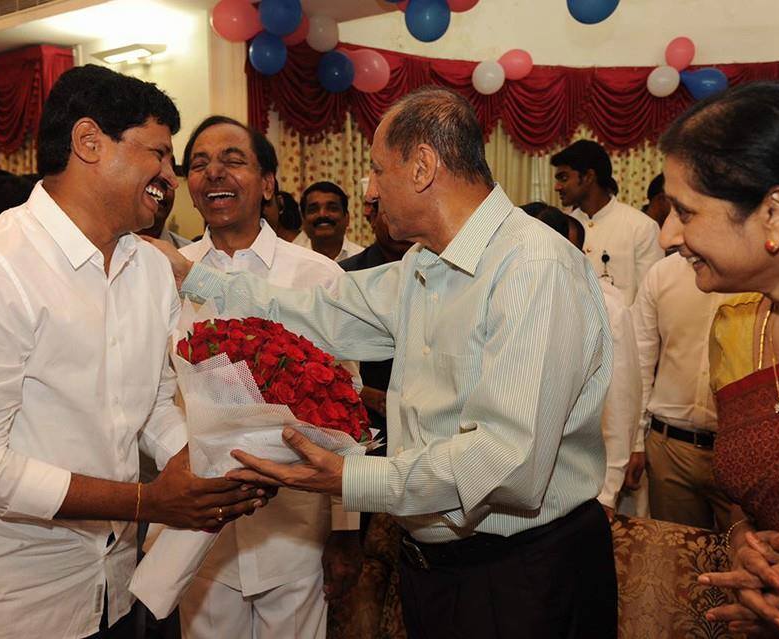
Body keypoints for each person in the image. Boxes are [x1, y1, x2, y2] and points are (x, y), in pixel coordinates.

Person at [154, 86, 617, 638]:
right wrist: (194, 277)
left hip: (523, 570)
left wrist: (354, 478)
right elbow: (321, 310)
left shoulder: (533, 265)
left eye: (376, 170)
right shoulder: (428, 261)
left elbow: (506, 463)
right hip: (438, 565)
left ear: (422, 167)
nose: (368, 192)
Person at [0, 65, 270, 639]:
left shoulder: (148, 268)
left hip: (109, 588)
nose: (170, 178)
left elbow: (150, 406)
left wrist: (210, 470)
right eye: (158, 155)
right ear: (89, 142)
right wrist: (150, 501)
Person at [173, 114, 359, 639]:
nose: (214, 174)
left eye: (233, 160)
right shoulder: (165, 274)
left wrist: (345, 532)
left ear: (269, 181)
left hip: (294, 527)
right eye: (200, 164)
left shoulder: (316, 276)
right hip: (199, 525)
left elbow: (346, 415)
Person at [656, 81, 779, 639]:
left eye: (685, 211)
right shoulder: (736, 329)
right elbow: (750, 508)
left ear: (776, 213)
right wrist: (749, 554)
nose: (665, 236)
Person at [523, 202, 641, 518]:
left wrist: (608, 492)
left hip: (577, 482)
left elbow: (619, 403)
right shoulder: (508, 297)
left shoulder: (605, 308)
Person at [627, 250, 733, 531]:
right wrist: (635, 441)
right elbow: (639, 363)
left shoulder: (760, 272)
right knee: (675, 561)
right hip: (671, 449)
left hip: (738, 449)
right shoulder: (663, 274)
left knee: (745, 564)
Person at [339, 178, 414, 448]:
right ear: (371, 214)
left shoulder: (445, 270)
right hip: (366, 433)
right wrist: (362, 393)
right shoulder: (346, 276)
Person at [552, 139, 663, 304]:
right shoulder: (559, 227)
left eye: (564, 178)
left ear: (588, 176)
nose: (557, 187)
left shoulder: (641, 227)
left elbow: (649, 301)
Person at [294, 181, 364, 261]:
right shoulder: (293, 261)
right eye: (313, 209)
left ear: (347, 218)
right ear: (303, 220)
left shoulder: (365, 261)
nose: (322, 214)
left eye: (332, 208)